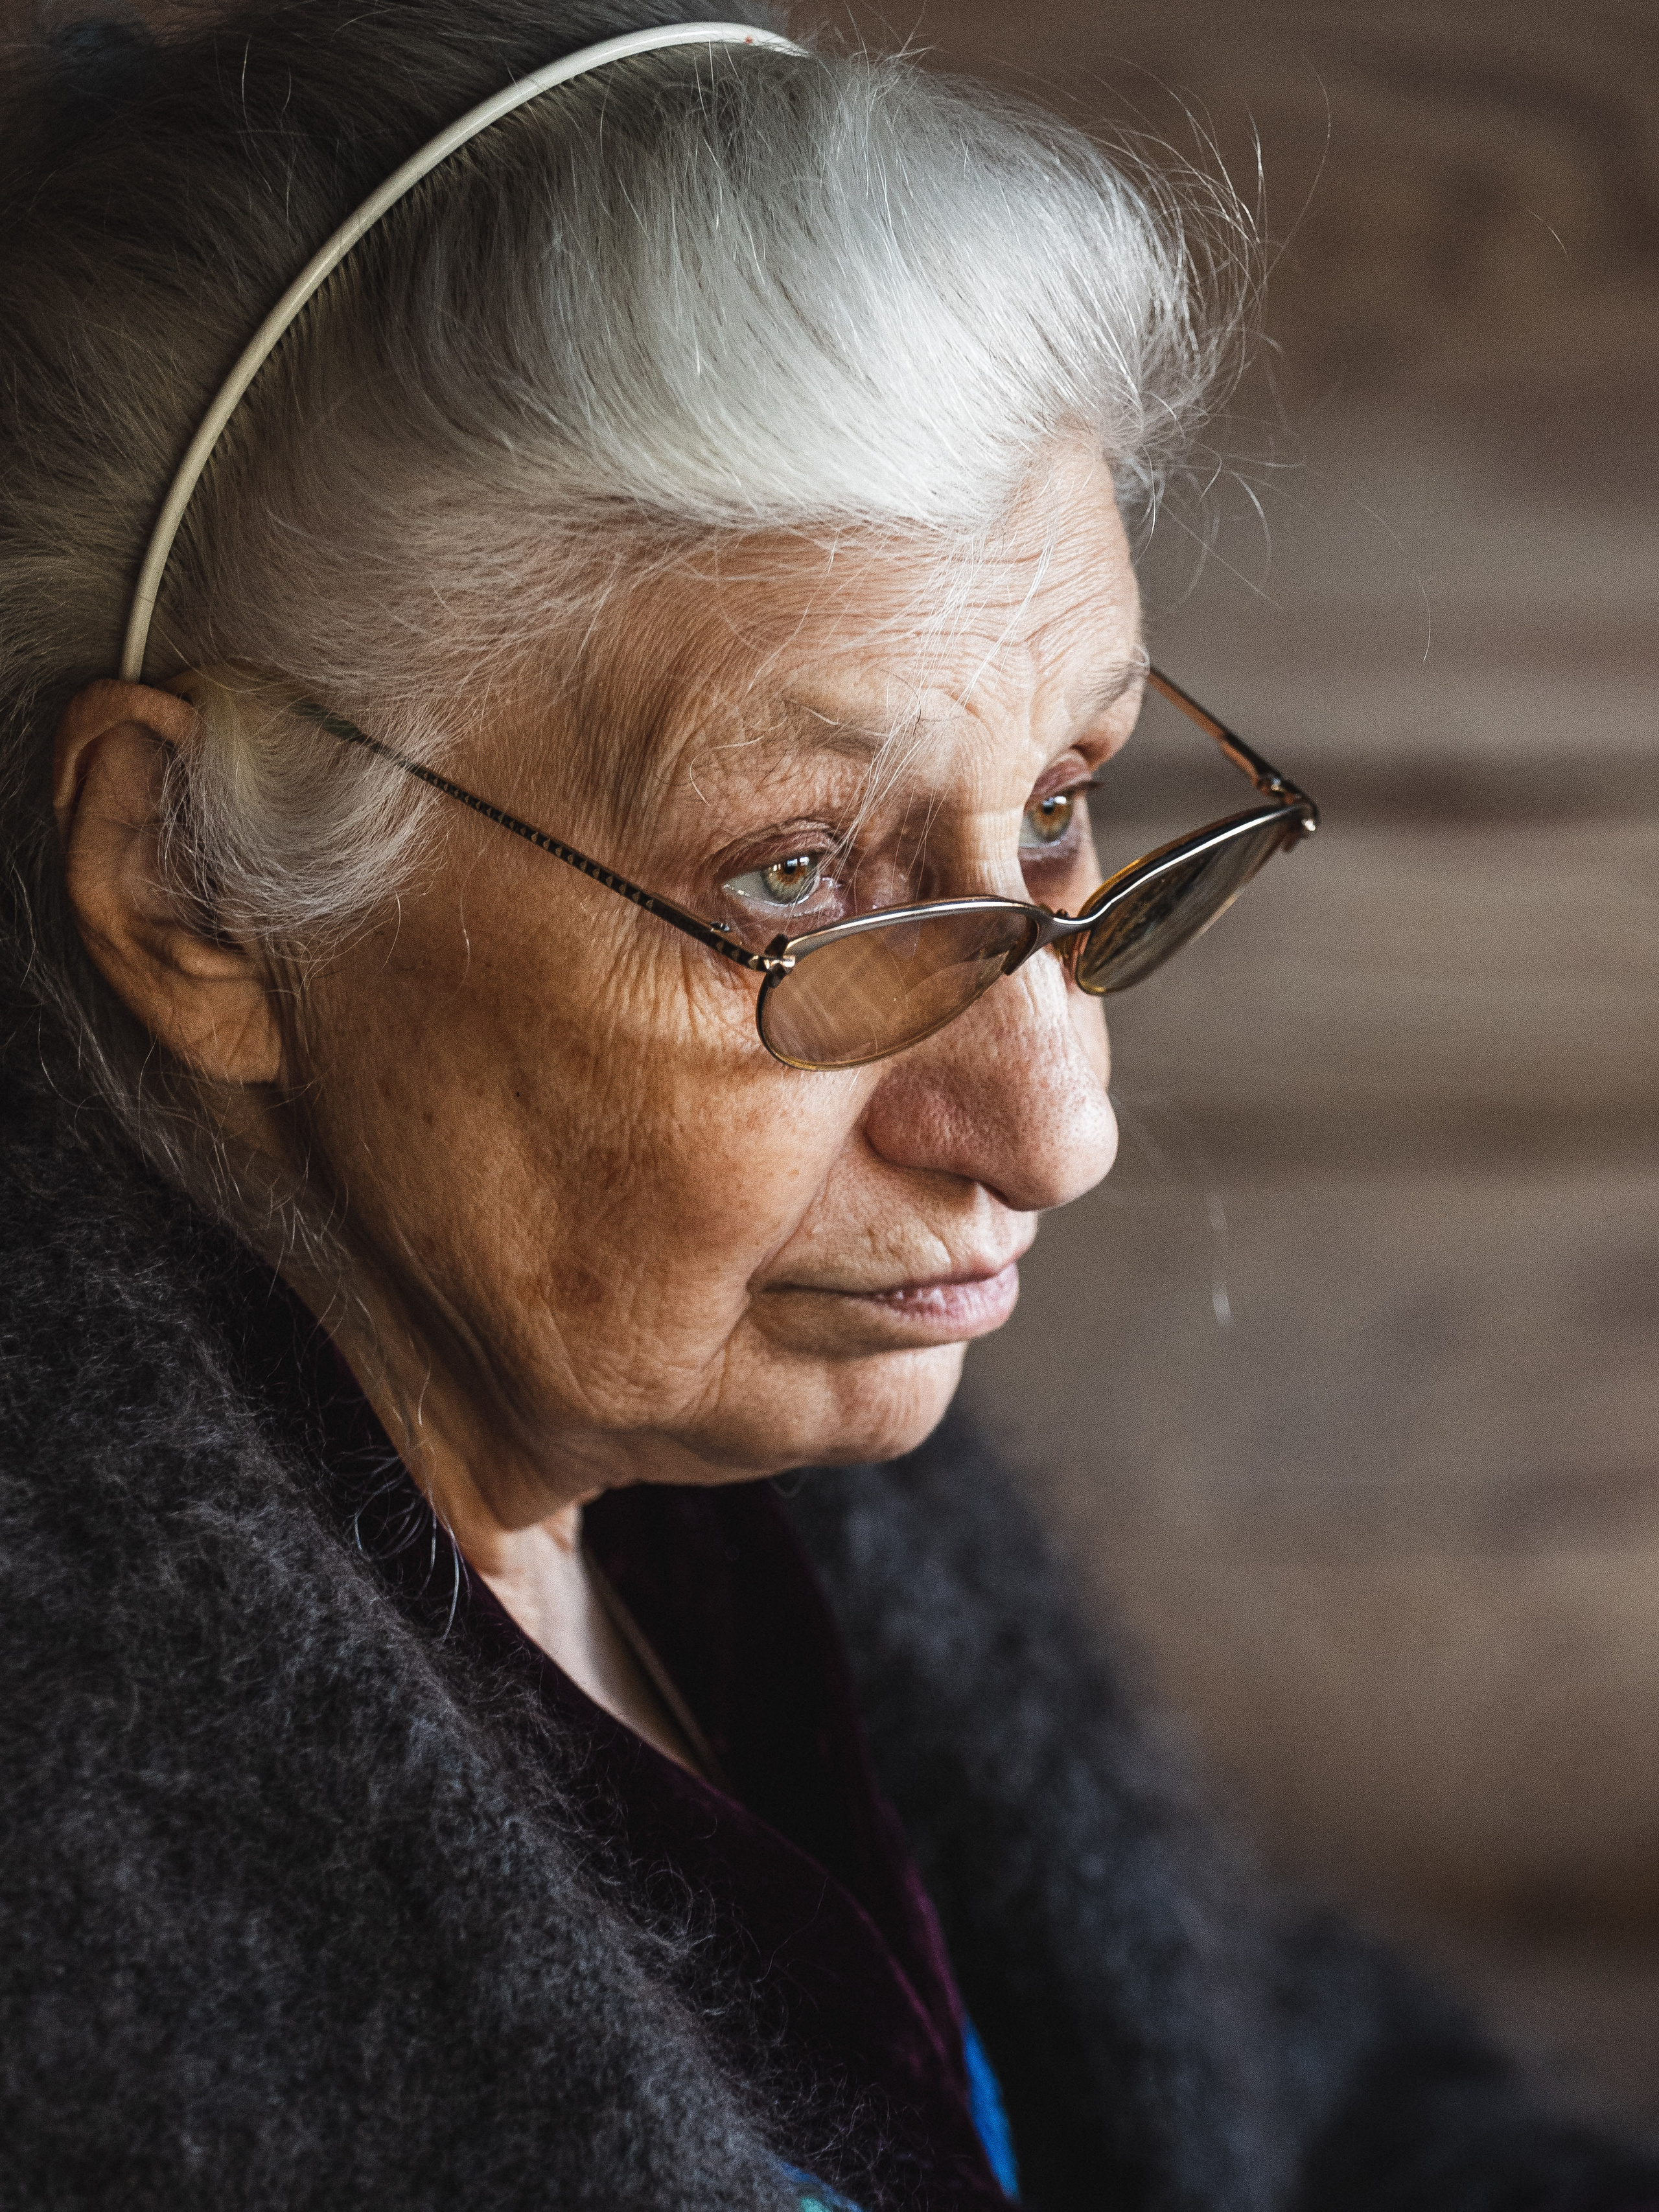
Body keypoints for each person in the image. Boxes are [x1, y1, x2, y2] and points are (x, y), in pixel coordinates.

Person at [0, 3, 1654, 2207]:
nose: (1057, 1128)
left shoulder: (763, 1478)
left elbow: (1313, 2114)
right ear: (192, 887)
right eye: (796, 875)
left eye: (1061, 804)